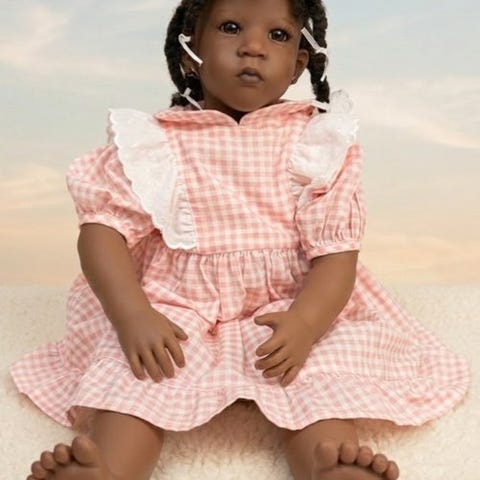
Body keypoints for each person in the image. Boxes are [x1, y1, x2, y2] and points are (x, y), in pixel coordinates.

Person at [11, 0, 470, 479]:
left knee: (321, 374)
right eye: (231, 27)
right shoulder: (152, 142)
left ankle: (331, 465)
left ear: (298, 64)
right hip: (179, 306)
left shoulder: (317, 143)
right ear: (191, 53)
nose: (253, 47)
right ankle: (106, 467)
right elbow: (102, 232)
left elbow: (336, 254)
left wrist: (306, 323)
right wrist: (133, 314)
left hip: (291, 304)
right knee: (138, 375)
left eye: (278, 35)